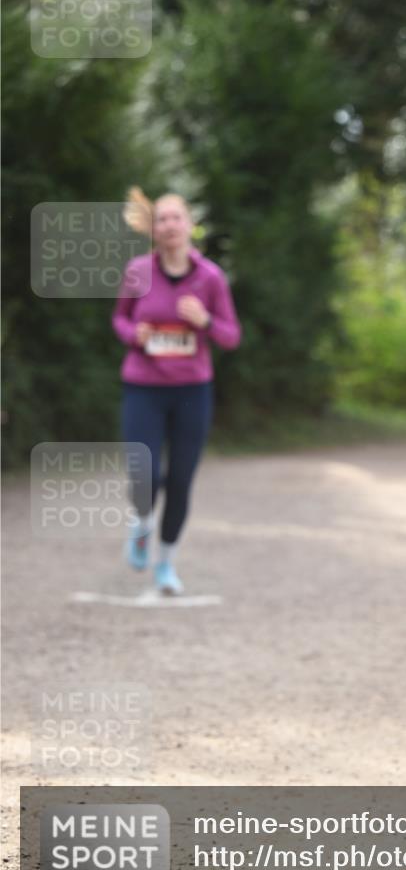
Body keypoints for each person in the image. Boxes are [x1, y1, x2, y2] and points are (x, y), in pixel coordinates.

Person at [113, 188, 241, 595]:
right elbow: (119, 320)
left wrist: (204, 320)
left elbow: (231, 336)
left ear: (190, 225)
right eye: (162, 219)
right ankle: (142, 524)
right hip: (143, 387)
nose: (169, 225)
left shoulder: (211, 278)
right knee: (144, 472)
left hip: (192, 390)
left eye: (176, 217)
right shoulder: (137, 271)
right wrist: (136, 334)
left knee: (181, 480)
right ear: (154, 229)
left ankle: (166, 563)